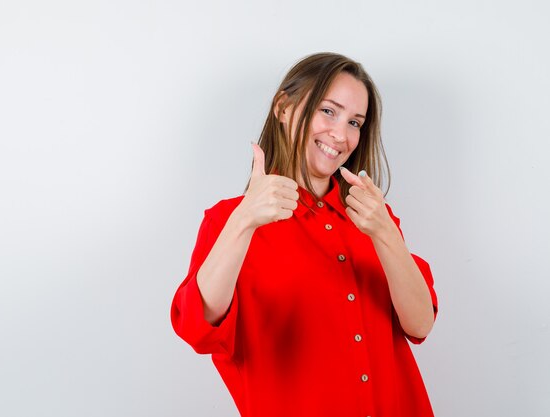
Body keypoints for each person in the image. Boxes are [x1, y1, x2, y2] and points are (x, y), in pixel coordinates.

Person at [170, 53, 438, 417]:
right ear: (284, 107)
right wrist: (244, 220)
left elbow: (420, 323)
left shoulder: (374, 217)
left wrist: (384, 231)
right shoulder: (230, 220)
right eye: (328, 111)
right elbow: (198, 329)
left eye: (355, 122)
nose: (341, 135)